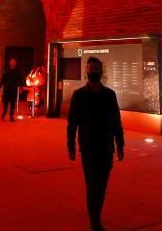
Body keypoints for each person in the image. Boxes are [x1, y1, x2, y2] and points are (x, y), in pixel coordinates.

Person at [67, 57, 124, 231]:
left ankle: (95, 216)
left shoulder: (109, 95)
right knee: (92, 184)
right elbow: (72, 123)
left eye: (96, 69)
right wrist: (71, 146)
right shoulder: (79, 95)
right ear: (86, 71)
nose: (93, 72)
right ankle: (95, 221)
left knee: (102, 184)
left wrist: (120, 144)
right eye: (91, 69)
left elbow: (116, 121)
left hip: (106, 146)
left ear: (101, 71)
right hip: (88, 147)